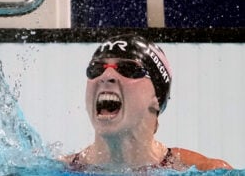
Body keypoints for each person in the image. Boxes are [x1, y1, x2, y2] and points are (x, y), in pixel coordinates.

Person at [61, 34, 232, 172]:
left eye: (128, 69)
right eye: (97, 69)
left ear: (157, 98)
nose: (106, 76)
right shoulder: (59, 170)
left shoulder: (202, 170)